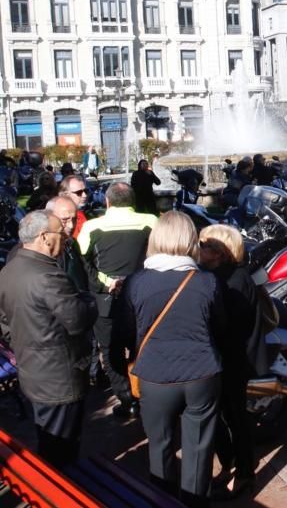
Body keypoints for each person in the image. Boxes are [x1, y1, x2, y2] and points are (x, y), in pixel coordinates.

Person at [116, 212, 225, 507]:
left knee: (159, 445)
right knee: (199, 449)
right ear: (189, 240)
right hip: (201, 373)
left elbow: (125, 332)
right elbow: (221, 328)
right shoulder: (207, 282)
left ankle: (160, 501)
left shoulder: (136, 282)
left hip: (153, 375)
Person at [0, 211, 96, 467]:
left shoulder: (10, 269)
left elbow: (4, 322)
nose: (65, 236)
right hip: (59, 378)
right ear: (43, 237)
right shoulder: (48, 276)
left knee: (49, 437)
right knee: (61, 448)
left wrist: (26, 340)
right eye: (60, 232)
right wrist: (88, 300)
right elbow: (78, 321)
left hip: (33, 371)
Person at [78, 183, 158, 419]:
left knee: (110, 350)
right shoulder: (151, 221)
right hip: (142, 295)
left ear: (107, 202)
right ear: (132, 201)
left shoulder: (92, 226)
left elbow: (84, 263)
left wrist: (105, 282)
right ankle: (146, 394)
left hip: (106, 299)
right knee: (141, 347)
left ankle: (127, 400)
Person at [198, 225, 264, 499]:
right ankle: (229, 463)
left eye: (204, 244)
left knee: (237, 418)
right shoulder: (210, 275)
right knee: (219, 416)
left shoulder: (235, 279)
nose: (198, 248)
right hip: (217, 358)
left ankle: (245, 474)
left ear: (220, 251)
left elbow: (233, 327)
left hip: (233, 360)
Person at [45, 197, 88, 292]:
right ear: (49, 217)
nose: (71, 225)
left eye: (74, 219)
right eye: (65, 220)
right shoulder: (44, 251)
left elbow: (86, 272)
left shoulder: (71, 242)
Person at [58, 176, 89, 258]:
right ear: (66, 194)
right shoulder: (58, 215)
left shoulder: (80, 213)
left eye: (85, 191)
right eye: (79, 192)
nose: (84, 195)